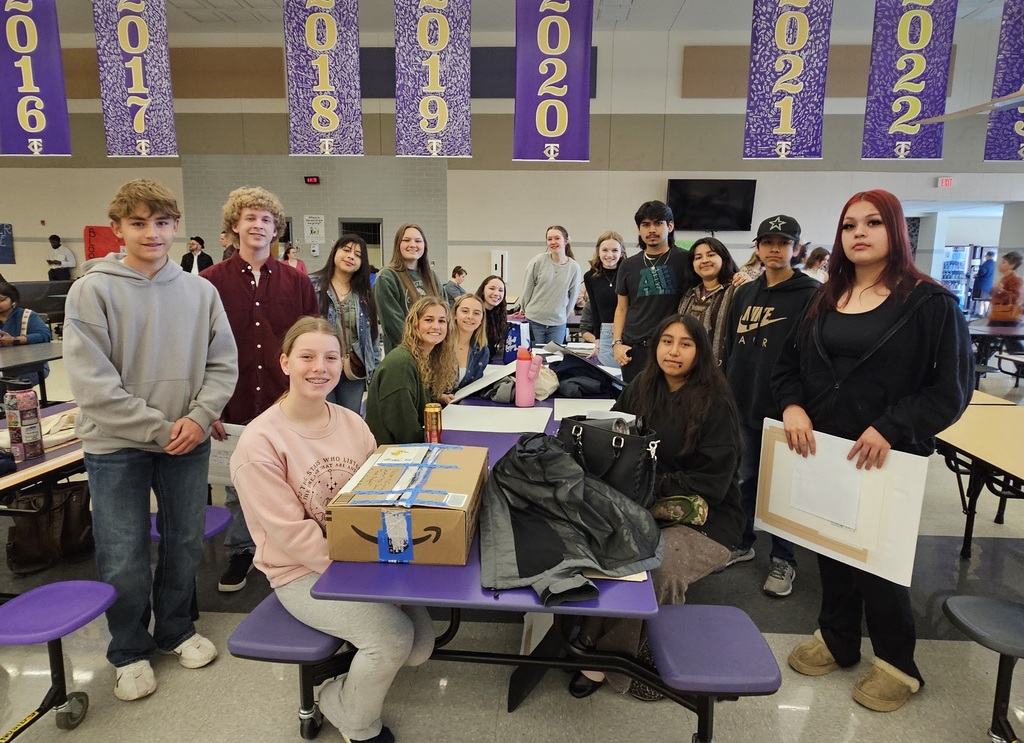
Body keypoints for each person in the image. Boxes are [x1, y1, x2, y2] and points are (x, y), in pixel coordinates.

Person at [773, 189, 972, 713]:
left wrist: (891, 425)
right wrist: (792, 406)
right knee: (832, 550)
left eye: (873, 223)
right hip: (823, 450)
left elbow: (950, 391)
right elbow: (787, 367)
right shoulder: (824, 297)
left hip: (886, 454)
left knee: (879, 564)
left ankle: (897, 666)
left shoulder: (929, 303)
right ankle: (838, 640)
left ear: (896, 232)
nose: (858, 233)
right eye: (848, 226)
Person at [63, 179, 238, 701]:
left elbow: (222, 363)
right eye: (138, 223)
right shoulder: (92, 289)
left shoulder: (200, 291)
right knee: (124, 552)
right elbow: (92, 385)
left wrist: (202, 414)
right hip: (116, 445)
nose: (151, 233)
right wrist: (160, 429)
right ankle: (129, 648)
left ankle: (176, 628)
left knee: (185, 541)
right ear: (116, 229)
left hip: (189, 436)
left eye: (161, 222)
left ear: (177, 228)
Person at [231, 316, 432, 743]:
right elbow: (293, 536)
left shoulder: (351, 421)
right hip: (300, 571)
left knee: (421, 648)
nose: (319, 367)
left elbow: (378, 492)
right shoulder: (259, 442)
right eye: (307, 356)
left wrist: (393, 556)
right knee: (394, 641)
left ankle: (353, 676)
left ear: (343, 364)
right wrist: (367, 583)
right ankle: (349, 714)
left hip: (362, 557)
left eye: (331, 357)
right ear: (285, 362)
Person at [570, 314, 744, 700]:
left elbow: (713, 483)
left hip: (704, 517)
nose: (674, 351)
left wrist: (648, 487)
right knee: (597, 543)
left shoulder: (715, 403)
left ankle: (613, 661)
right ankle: (590, 638)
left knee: (659, 568)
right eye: (667, 341)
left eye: (685, 344)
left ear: (700, 351)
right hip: (643, 503)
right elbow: (609, 433)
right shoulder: (641, 387)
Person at [201, 186, 318, 593]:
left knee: (291, 478)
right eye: (249, 218)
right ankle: (241, 552)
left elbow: (312, 341)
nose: (257, 225)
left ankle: (291, 552)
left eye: (265, 219)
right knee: (238, 482)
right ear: (234, 226)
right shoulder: (207, 283)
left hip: (282, 399)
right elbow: (196, 345)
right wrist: (207, 406)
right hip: (230, 399)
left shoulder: (297, 282)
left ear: (276, 230)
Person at [722, 214, 819, 598]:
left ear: (796, 248)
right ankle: (743, 543)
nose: (775, 249)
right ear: (758, 248)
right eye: (767, 242)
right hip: (744, 402)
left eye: (783, 242)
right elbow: (731, 347)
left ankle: (784, 558)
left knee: (782, 489)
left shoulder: (811, 295)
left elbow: (812, 358)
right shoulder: (745, 293)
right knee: (744, 479)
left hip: (785, 411)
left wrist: (801, 405)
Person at [612, 201, 697, 383]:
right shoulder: (628, 265)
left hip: (670, 349)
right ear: (639, 229)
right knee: (635, 405)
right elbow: (621, 308)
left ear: (670, 226)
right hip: (634, 349)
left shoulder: (685, 259)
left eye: (658, 223)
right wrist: (617, 344)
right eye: (645, 224)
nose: (651, 229)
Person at [364, 297, 456, 445]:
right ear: (415, 323)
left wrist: (439, 398)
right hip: (391, 453)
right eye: (428, 320)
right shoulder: (401, 364)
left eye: (442, 321)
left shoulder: (425, 358)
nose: (436, 326)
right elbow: (404, 429)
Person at [310, 234, 381, 413]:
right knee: (323, 416)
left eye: (358, 255)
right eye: (346, 250)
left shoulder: (364, 293)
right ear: (335, 252)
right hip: (320, 367)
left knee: (350, 418)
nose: (351, 257)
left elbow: (373, 336)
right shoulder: (312, 285)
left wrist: (376, 369)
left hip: (353, 370)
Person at [373, 224, 444, 354]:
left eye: (418, 241)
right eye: (406, 240)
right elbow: (394, 326)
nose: (413, 245)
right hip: (406, 356)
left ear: (424, 246)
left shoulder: (431, 277)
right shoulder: (387, 277)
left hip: (434, 355)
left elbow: (445, 316)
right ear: (397, 245)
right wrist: (421, 351)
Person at [678, 237, 740, 366]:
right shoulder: (689, 294)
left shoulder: (737, 291)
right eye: (698, 257)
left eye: (711, 255)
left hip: (724, 371)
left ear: (723, 258)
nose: (705, 260)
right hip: (689, 369)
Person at [520, 225, 581, 345]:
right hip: (534, 320)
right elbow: (527, 289)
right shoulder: (538, 261)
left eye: (557, 238)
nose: (553, 242)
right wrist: (525, 310)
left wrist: (562, 315)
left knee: (554, 360)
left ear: (566, 240)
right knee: (533, 358)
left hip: (557, 325)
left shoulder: (574, 267)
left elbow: (573, 296)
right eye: (549, 239)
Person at [581, 231, 625, 367]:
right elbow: (595, 309)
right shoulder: (590, 277)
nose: (609, 255)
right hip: (606, 331)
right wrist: (598, 342)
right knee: (609, 375)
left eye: (615, 250)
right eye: (605, 250)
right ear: (598, 251)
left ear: (622, 252)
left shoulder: (628, 273)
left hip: (627, 331)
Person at [0, 282, 53, 386]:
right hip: (3, 365)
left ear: (13, 300)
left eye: (1, 300)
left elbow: (44, 335)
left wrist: (14, 340)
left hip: (29, 366)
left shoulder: (27, 315)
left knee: (5, 385)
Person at [449, 293, 490, 392]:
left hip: (463, 405)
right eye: (465, 311)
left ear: (481, 320)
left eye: (476, 313)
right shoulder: (439, 344)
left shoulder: (482, 351)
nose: (470, 316)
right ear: (455, 314)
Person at [988, 250, 1023, 353]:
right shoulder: (1004, 279)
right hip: (999, 315)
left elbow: (1016, 298)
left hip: (1008, 317)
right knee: (989, 341)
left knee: (1012, 344)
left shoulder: (1015, 280)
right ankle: (980, 362)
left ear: (1011, 265)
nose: (1000, 265)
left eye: (1004, 262)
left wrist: (1001, 291)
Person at [476, 274, 508, 358]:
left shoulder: (498, 314)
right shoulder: (475, 314)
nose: (496, 293)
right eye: (492, 288)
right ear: (483, 290)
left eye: (501, 290)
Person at [972, 250, 996, 317]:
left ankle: (981, 313)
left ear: (988, 256)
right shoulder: (995, 264)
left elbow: (982, 272)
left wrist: (976, 275)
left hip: (982, 285)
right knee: (986, 299)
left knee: (981, 299)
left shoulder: (986, 264)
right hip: (989, 285)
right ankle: (985, 313)